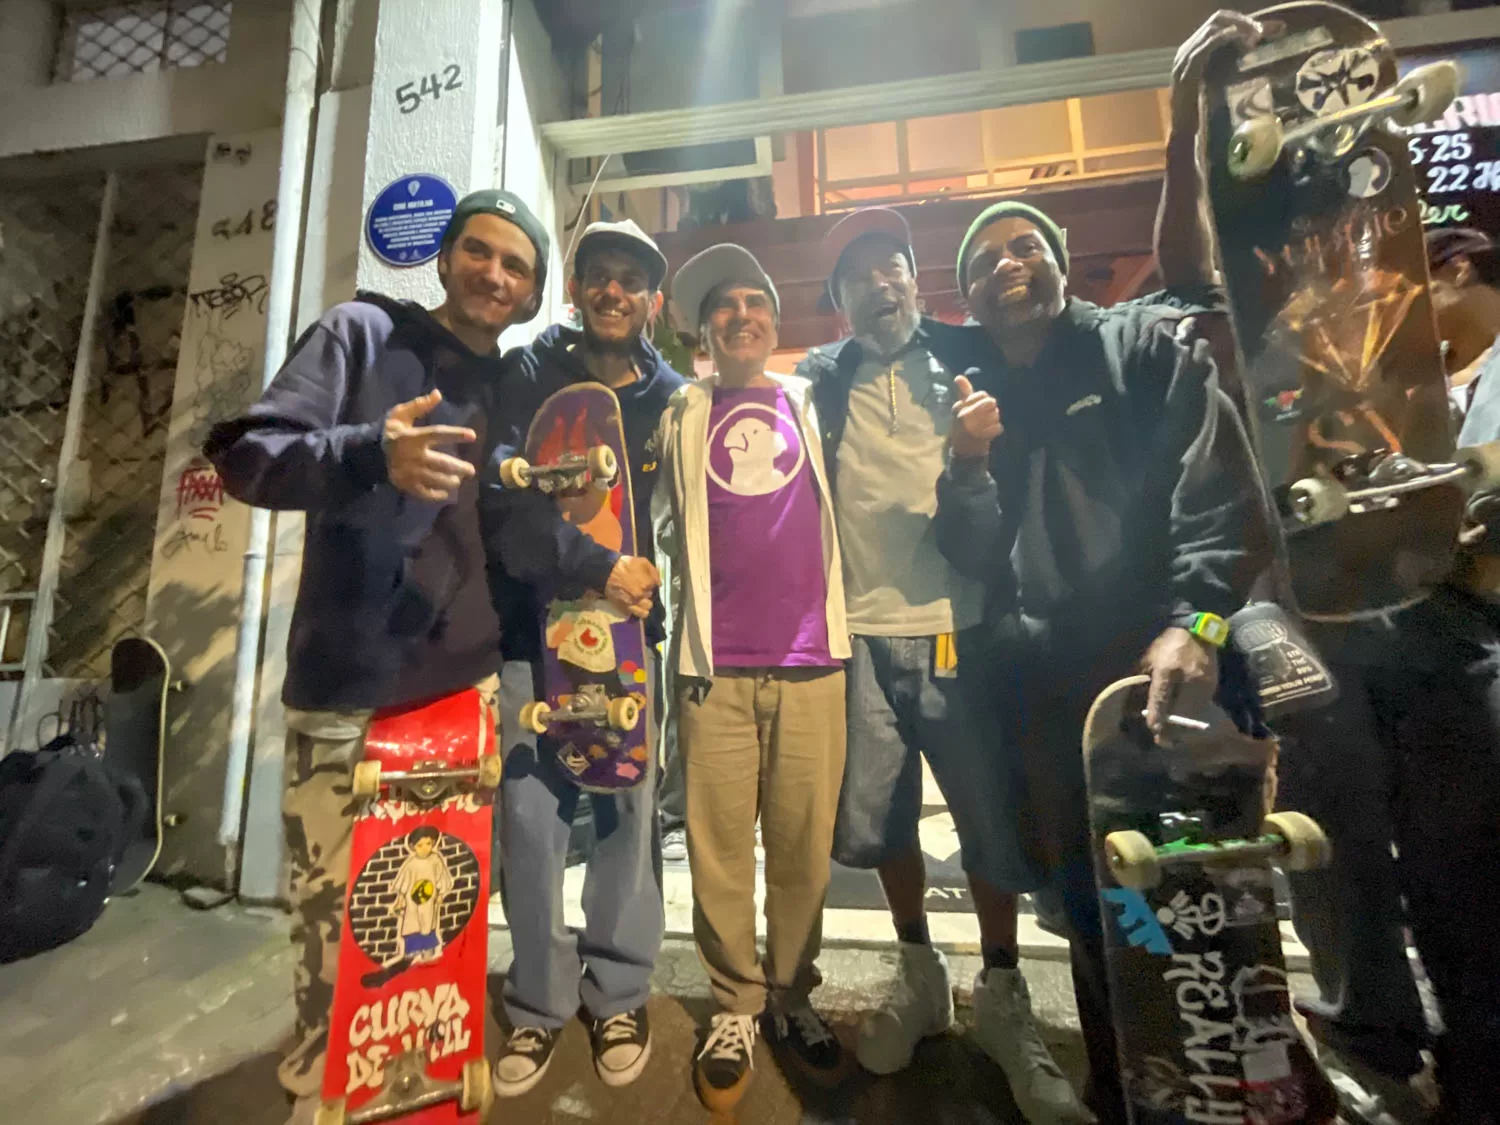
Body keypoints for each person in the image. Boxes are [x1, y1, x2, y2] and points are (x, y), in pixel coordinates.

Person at [205, 189, 660, 1125]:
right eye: (480, 253)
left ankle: (416, 1092)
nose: (496, 275)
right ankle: (324, 1089)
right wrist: (374, 451)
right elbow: (248, 457)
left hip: (464, 692)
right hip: (348, 686)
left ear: (536, 293)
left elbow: (515, 518)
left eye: (516, 266)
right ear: (445, 257)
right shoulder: (361, 334)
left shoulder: (513, 386)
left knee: (432, 926)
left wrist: (603, 567)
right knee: (334, 925)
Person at [933, 198, 1269, 1123]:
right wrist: (966, 467)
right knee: (1098, 913)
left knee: (1208, 907)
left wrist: (1197, 623)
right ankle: (1128, 1090)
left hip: (1167, 675)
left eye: (1026, 244)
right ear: (967, 295)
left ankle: (1240, 1092)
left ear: (1062, 260)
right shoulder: (970, 399)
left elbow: (1223, 487)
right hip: (1057, 708)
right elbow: (968, 551)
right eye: (984, 258)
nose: (1008, 262)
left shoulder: (1141, 346)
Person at [794, 207, 1090, 1124]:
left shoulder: (974, 355)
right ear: (838, 301)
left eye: (894, 268)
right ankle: (919, 970)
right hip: (859, 635)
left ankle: (1003, 994)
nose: (880, 285)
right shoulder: (821, 377)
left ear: (918, 280)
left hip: (961, 627)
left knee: (985, 814)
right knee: (882, 823)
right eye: (859, 276)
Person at [488, 218, 683, 1097]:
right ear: (575, 288)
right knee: (530, 823)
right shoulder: (528, 373)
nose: (613, 291)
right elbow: (502, 495)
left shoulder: (674, 397)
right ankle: (536, 1000)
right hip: (535, 632)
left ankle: (619, 990)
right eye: (597, 275)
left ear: (654, 299)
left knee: (626, 816)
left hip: (631, 643)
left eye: (630, 279)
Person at [652, 244, 848, 1111]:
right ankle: (735, 1003)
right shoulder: (678, 413)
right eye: (722, 306)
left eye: (753, 301)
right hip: (712, 668)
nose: (739, 315)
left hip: (814, 663)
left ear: (775, 319)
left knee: (805, 848)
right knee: (720, 850)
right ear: (703, 329)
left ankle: (792, 991)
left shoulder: (815, 400)